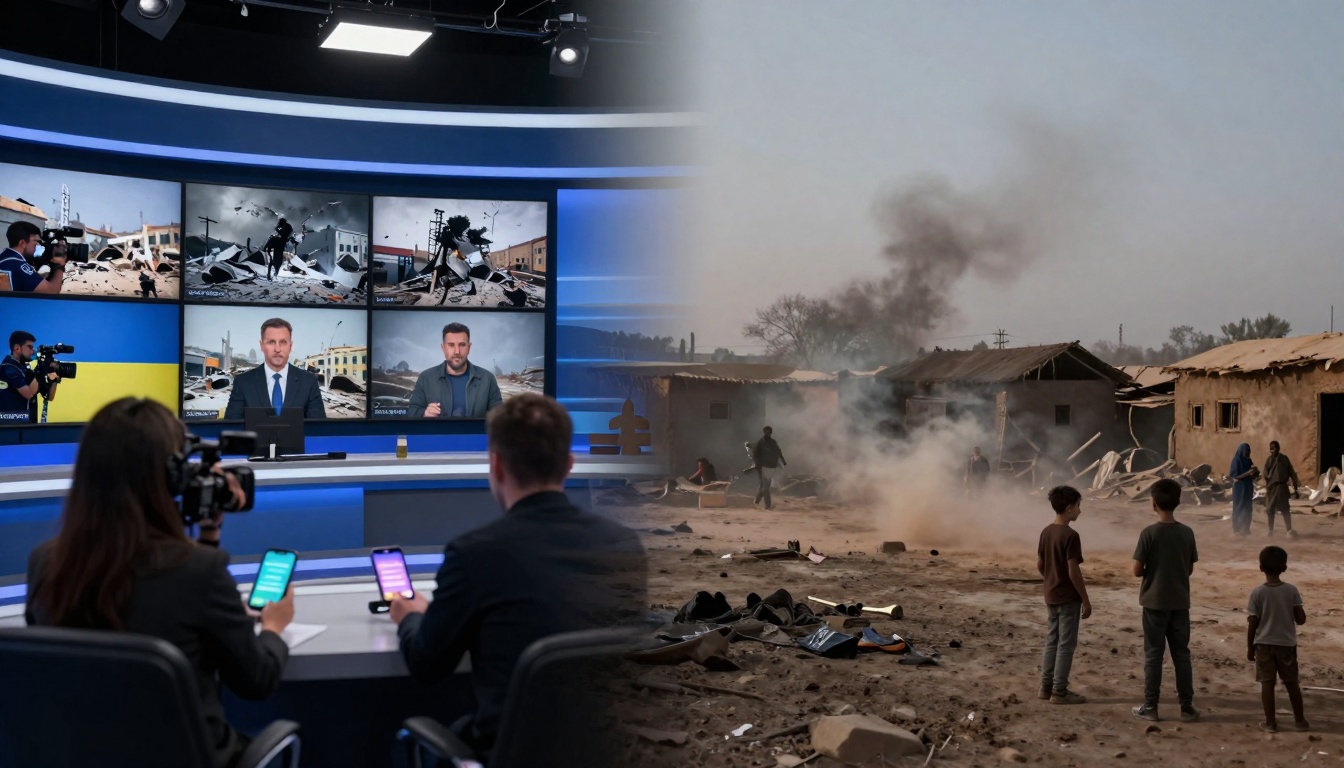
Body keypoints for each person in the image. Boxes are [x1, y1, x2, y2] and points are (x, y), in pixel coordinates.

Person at [24, 398, 294, 768]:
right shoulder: (200, 572)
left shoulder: (45, 564)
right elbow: (256, 680)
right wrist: (274, 628)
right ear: (170, 479)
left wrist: (208, 535)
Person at [391, 394, 647, 756]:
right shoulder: (625, 546)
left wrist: (410, 618)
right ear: (569, 464)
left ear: (496, 466)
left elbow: (427, 666)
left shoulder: (474, 554)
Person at [1131, 478, 1200, 723]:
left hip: (1154, 602)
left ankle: (1151, 707)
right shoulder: (1187, 533)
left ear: (1153, 504)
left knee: (1153, 655)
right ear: (1178, 502)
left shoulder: (1149, 533)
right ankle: (1187, 707)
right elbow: (1189, 569)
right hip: (1180, 602)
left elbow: (1137, 571)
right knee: (1181, 655)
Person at [1037, 485, 1091, 705]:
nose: (1080, 510)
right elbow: (1073, 571)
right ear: (1069, 508)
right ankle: (1059, 692)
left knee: (1052, 640)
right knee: (1066, 645)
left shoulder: (1046, 532)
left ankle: (1045, 687)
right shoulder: (1071, 535)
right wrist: (1085, 599)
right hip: (1068, 597)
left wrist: (1051, 579)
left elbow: (1040, 564)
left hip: (1051, 594)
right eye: (1079, 506)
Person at [1246, 545, 1308, 733]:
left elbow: (1252, 624)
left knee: (1267, 683)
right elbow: (1301, 619)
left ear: (1261, 568)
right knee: (1291, 683)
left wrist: (1250, 647)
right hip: (1286, 645)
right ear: (1285, 568)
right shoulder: (1291, 590)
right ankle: (1300, 721)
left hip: (1264, 645)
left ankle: (1271, 723)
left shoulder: (1257, 593)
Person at [223, 318, 326, 420]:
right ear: (262, 345)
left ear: (291, 346)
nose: (277, 349)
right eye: (271, 342)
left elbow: (318, 430)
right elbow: (232, 429)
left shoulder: (308, 382)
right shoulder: (243, 383)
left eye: (283, 342)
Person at [407, 322, 503, 418]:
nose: (457, 351)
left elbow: (500, 419)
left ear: (469, 347)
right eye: (451, 345)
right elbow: (411, 413)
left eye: (462, 345)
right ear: (443, 348)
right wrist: (425, 414)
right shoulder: (426, 378)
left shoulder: (487, 379)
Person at [0, 331, 60, 422]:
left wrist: (54, 379)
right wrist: (42, 369)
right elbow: (29, 394)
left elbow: (49, 397)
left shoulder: (23, 367)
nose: (33, 351)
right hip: (11, 425)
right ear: (17, 348)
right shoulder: (10, 367)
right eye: (30, 347)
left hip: (26, 422)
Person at [0, 221, 66, 294]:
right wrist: (60, 264)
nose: (38, 246)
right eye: (36, 242)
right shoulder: (19, 265)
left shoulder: (4, 259)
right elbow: (52, 291)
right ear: (22, 243)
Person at [1262, 441, 1301, 538]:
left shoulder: (1284, 459)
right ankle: (1270, 530)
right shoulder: (1269, 460)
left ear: (1278, 448)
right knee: (1270, 509)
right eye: (1270, 448)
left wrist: (1295, 486)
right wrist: (1268, 476)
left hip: (1282, 487)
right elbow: (1265, 473)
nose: (1272, 450)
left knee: (1285, 509)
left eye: (1274, 448)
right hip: (1272, 488)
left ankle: (1289, 530)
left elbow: (1292, 472)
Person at [752, 426, 787, 510]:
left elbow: (778, 451)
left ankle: (757, 501)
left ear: (770, 433)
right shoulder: (761, 442)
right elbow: (756, 454)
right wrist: (757, 464)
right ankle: (767, 505)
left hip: (771, 467)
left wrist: (782, 460)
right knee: (766, 486)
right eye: (765, 432)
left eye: (768, 432)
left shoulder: (773, 442)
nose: (767, 433)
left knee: (763, 485)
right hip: (763, 466)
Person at [1229, 442, 1258, 536]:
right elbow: (1235, 477)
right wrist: (1248, 473)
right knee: (1239, 507)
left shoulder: (1249, 461)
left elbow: (1252, 474)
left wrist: (1255, 472)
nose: (1248, 453)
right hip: (1239, 489)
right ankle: (1237, 529)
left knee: (1248, 509)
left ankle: (1246, 529)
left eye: (1249, 451)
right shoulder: (1236, 460)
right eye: (1246, 451)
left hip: (1248, 487)